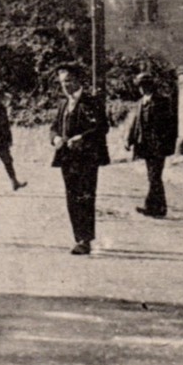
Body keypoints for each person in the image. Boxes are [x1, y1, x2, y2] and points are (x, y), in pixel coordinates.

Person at [51, 65, 112, 255]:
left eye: (68, 81)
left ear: (78, 80)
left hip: (87, 157)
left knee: (85, 196)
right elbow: (53, 127)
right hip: (67, 157)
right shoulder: (63, 104)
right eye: (62, 82)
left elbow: (102, 127)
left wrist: (82, 138)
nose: (65, 86)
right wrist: (55, 138)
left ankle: (85, 239)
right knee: (71, 197)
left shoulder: (91, 102)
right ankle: (78, 237)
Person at [126, 72, 177, 218]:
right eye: (140, 86)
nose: (141, 88)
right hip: (145, 145)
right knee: (153, 176)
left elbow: (170, 125)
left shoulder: (162, 102)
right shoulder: (141, 102)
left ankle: (154, 208)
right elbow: (136, 124)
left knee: (154, 176)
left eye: (143, 85)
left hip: (158, 145)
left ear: (150, 86)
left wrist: (166, 142)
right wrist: (129, 140)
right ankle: (157, 208)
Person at [0, 89, 27, 191]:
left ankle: (14, 182)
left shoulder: (0, 107)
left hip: (0, 140)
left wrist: (8, 138)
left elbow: (5, 125)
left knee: (7, 161)